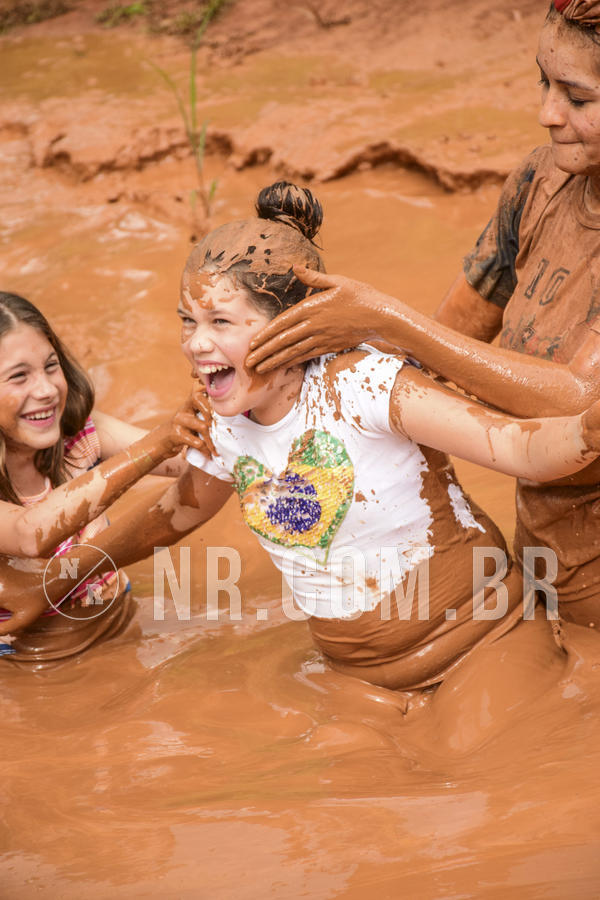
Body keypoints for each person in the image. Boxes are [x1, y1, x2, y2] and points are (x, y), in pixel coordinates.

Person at [11, 182, 600, 745]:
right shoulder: (226, 423)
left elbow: (518, 447)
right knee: (339, 774)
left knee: (467, 760)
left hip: (484, 639)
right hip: (357, 674)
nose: (194, 344)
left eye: (219, 322)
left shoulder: (367, 384)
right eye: (187, 322)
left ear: (294, 326)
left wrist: (584, 430)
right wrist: (66, 579)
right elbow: (172, 518)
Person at [245, 1, 600, 630]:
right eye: (544, 83)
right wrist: (287, 397)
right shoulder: (541, 181)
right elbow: (447, 338)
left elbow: (581, 405)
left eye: (577, 96)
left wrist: (382, 318)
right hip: (542, 546)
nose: (547, 113)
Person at [0, 291, 206, 663]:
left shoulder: (80, 438)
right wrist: (158, 443)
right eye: (19, 377)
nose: (46, 390)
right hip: (32, 667)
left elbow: (192, 460)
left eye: (50, 366)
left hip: (121, 625)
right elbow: (30, 534)